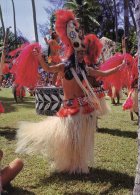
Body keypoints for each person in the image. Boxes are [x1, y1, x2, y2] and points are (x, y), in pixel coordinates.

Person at [16, 9, 125, 174]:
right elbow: (48, 68)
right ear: (73, 50)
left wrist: (119, 67)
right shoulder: (64, 66)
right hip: (69, 110)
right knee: (69, 141)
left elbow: (103, 73)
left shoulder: (84, 68)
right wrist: (39, 57)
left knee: (80, 141)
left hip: (83, 110)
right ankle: (72, 165)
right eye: (79, 52)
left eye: (83, 52)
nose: (82, 55)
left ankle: (79, 165)